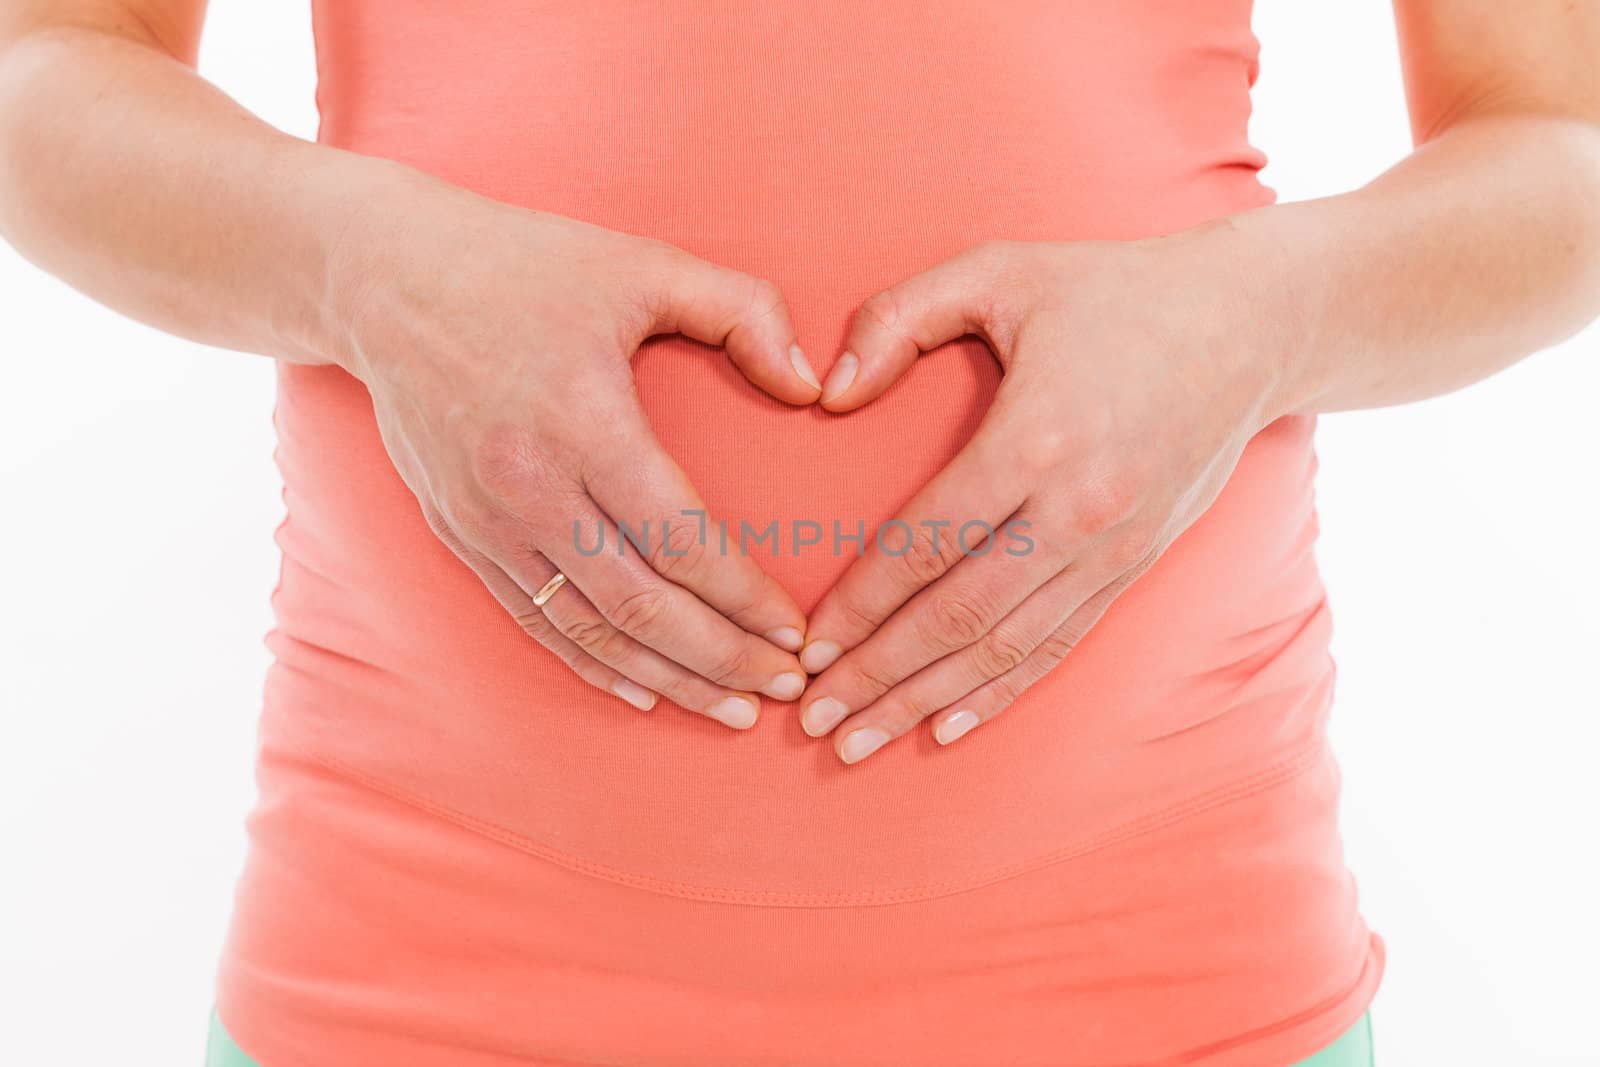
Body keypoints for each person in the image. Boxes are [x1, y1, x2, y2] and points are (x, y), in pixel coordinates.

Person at [2, 1, 1597, 1064]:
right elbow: (44, 56)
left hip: (1171, 988)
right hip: (416, 990)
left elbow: (1569, 138)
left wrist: (1263, 316)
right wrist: (359, 266)